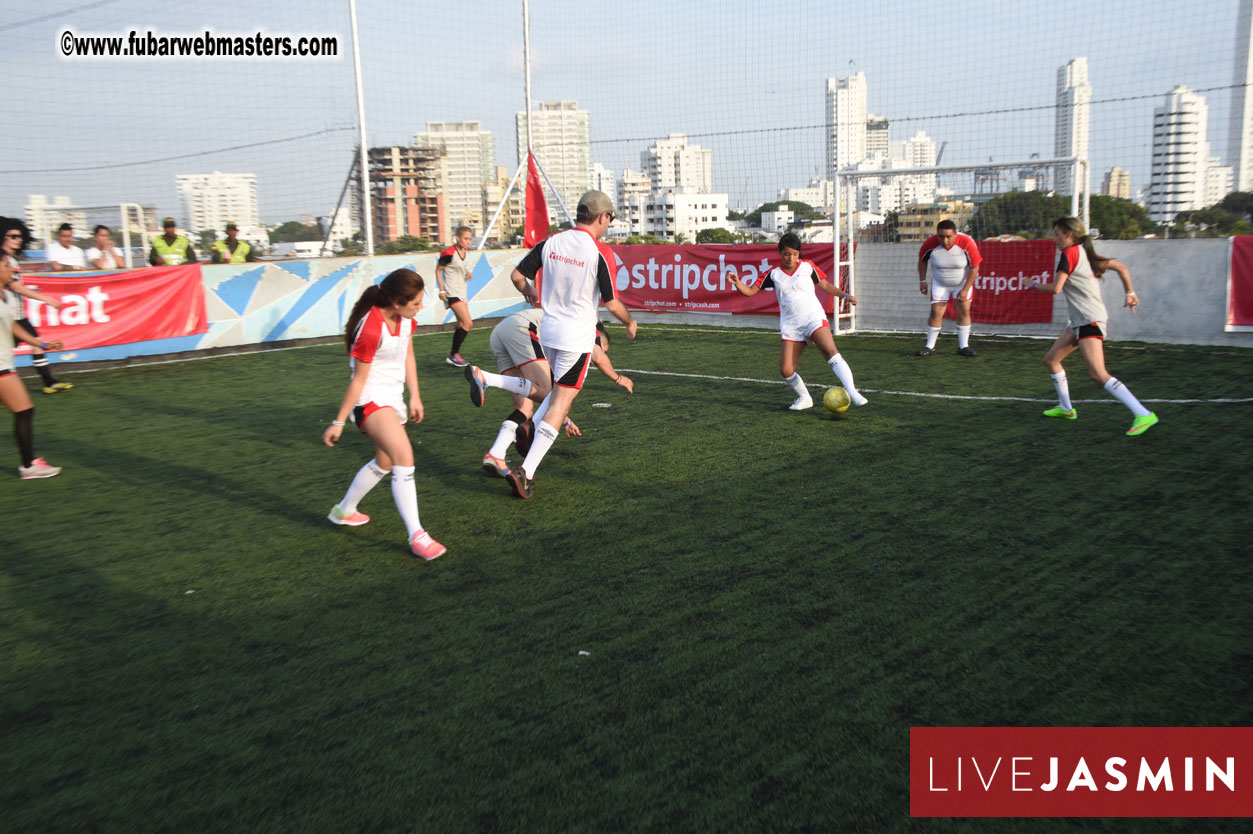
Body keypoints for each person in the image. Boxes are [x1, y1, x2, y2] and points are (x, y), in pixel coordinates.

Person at [500, 190, 637, 499]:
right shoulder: (598, 252)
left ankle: (529, 426)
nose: (609, 224)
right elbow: (612, 304)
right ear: (602, 218)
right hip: (576, 336)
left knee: (559, 392)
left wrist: (532, 295)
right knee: (563, 402)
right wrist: (629, 322)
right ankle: (526, 472)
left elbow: (517, 276)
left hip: (548, 332)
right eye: (609, 219)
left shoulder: (551, 242)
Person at [322, 267, 446, 559]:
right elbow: (358, 381)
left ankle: (344, 510)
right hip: (369, 401)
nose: (421, 307)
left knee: (386, 461)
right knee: (404, 456)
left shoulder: (405, 321)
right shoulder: (370, 327)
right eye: (415, 303)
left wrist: (415, 395)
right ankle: (418, 535)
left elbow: (408, 354)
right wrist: (338, 422)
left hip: (393, 398)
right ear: (396, 303)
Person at [1031, 216, 1157, 436]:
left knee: (1098, 375)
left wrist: (1031, 284)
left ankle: (1143, 413)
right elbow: (1122, 268)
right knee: (1051, 360)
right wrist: (1130, 293)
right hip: (1080, 321)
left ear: (1069, 234)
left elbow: (1056, 288)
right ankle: (1066, 409)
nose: (1055, 239)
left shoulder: (1070, 253)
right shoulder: (1086, 254)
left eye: (1057, 234)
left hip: (1089, 320)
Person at [466, 314, 632, 476]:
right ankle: (486, 377)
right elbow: (597, 355)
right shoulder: (590, 324)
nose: (604, 352)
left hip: (501, 331)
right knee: (545, 391)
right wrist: (618, 378)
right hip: (522, 328)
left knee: (524, 406)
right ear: (601, 338)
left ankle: (496, 454)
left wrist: (566, 420)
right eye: (605, 348)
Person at [727, 232, 867, 411]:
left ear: (798, 253)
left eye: (794, 254)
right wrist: (737, 283)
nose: (791, 258)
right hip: (791, 326)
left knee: (829, 350)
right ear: (780, 253)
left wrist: (845, 295)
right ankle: (805, 398)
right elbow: (750, 292)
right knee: (786, 370)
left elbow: (824, 285)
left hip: (813, 318)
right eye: (786, 254)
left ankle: (853, 392)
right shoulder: (773, 274)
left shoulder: (808, 266)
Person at [1, 256, 64, 478]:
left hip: (5, 363)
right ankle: (28, 466)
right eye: (7, 265)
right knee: (24, 410)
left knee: (24, 410)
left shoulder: (6, 295)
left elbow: (12, 325)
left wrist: (41, 343)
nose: (13, 269)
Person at [1, 217, 71, 394]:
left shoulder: (11, 259)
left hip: (15, 314)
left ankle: (48, 382)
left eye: (20, 236)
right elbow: (16, 286)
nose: (19, 239)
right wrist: (46, 299)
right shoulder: (3, 259)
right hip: (7, 314)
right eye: (13, 236)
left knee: (36, 344)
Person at [915, 219, 981, 357]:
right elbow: (922, 261)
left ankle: (964, 346)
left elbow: (975, 267)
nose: (945, 240)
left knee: (963, 310)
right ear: (937, 234)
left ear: (955, 235)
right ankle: (930, 346)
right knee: (936, 312)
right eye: (941, 236)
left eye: (948, 237)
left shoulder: (966, 243)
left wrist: (965, 289)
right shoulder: (930, 243)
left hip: (962, 283)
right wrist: (922, 280)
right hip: (940, 284)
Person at [435, 225, 475, 366]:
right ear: (457, 237)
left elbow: (463, 267)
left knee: (460, 324)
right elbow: (438, 270)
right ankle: (453, 354)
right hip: (452, 294)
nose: (467, 241)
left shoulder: (466, 252)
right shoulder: (448, 252)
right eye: (465, 238)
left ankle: (454, 354)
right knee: (468, 323)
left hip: (462, 293)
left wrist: (468, 273)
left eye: (469, 239)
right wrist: (441, 290)